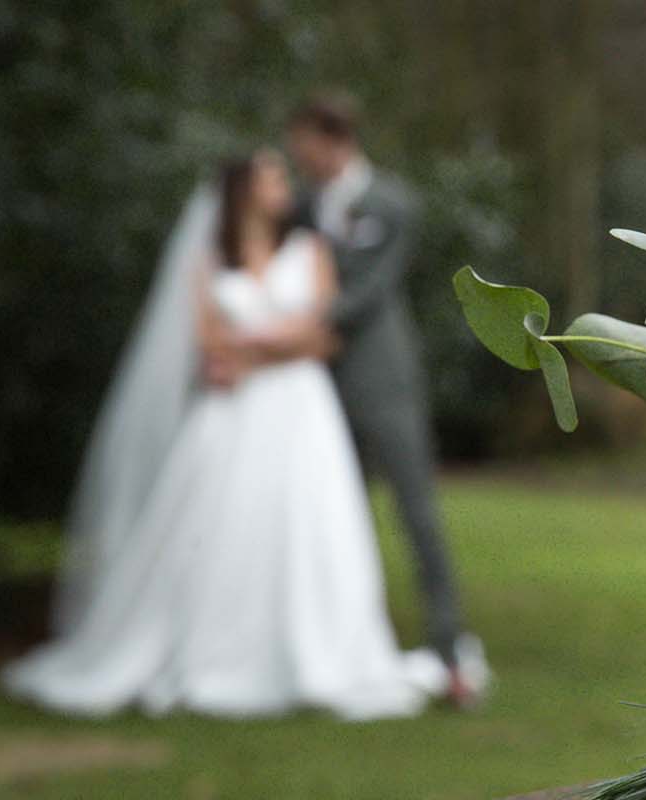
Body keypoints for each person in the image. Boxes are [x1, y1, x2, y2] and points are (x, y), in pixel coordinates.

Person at [4, 151, 434, 720]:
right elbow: (207, 342)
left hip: (302, 412)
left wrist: (252, 349)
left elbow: (326, 336)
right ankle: (211, 646)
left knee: (307, 526)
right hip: (233, 415)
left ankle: (316, 650)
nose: (283, 184)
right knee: (217, 526)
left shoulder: (309, 252)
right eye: (271, 177)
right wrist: (266, 348)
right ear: (243, 191)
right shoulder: (210, 260)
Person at [281, 93, 485, 707]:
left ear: (332, 140)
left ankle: (449, 653)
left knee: (416, 514)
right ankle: (339, 649)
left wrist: (298, 323)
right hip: (313, 388)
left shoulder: (392, 204)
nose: (299, 156)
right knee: (328, 520)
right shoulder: (300, 207)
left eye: (304, 144)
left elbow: (371, 290)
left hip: (383, 381)